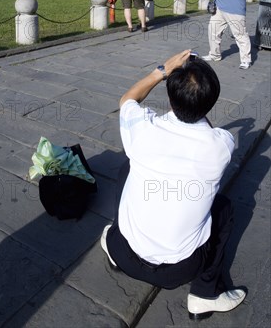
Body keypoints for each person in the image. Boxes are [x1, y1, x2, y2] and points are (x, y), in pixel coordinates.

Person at [100, 50, 246, 321]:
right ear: (210, 104)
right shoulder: (221, 146)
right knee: (224, 208)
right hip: (180, 270)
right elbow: (207, 126)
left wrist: (162, 70)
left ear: (169, 97)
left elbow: (127, 99)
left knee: (127, 169)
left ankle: (116, 248)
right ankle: (204, 295)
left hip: (123, 250)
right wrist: (196, 102)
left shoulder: (142, 130)